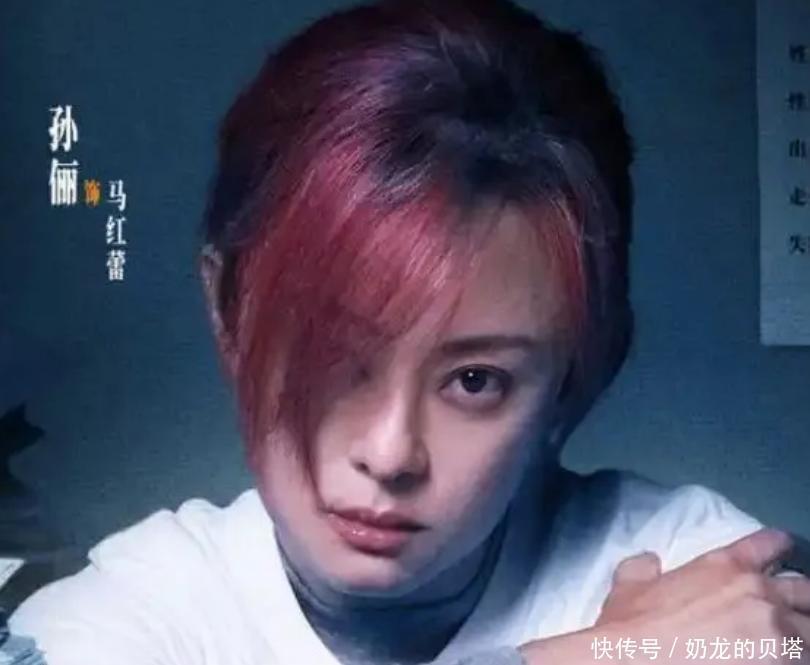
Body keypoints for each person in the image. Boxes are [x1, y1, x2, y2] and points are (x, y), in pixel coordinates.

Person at [9, 0, 809, 663]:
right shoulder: (122, 618)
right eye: (334, 355)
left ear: (571, 381)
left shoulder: (696, 568)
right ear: (229, 313)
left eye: (476, 380)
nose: (390, 453)